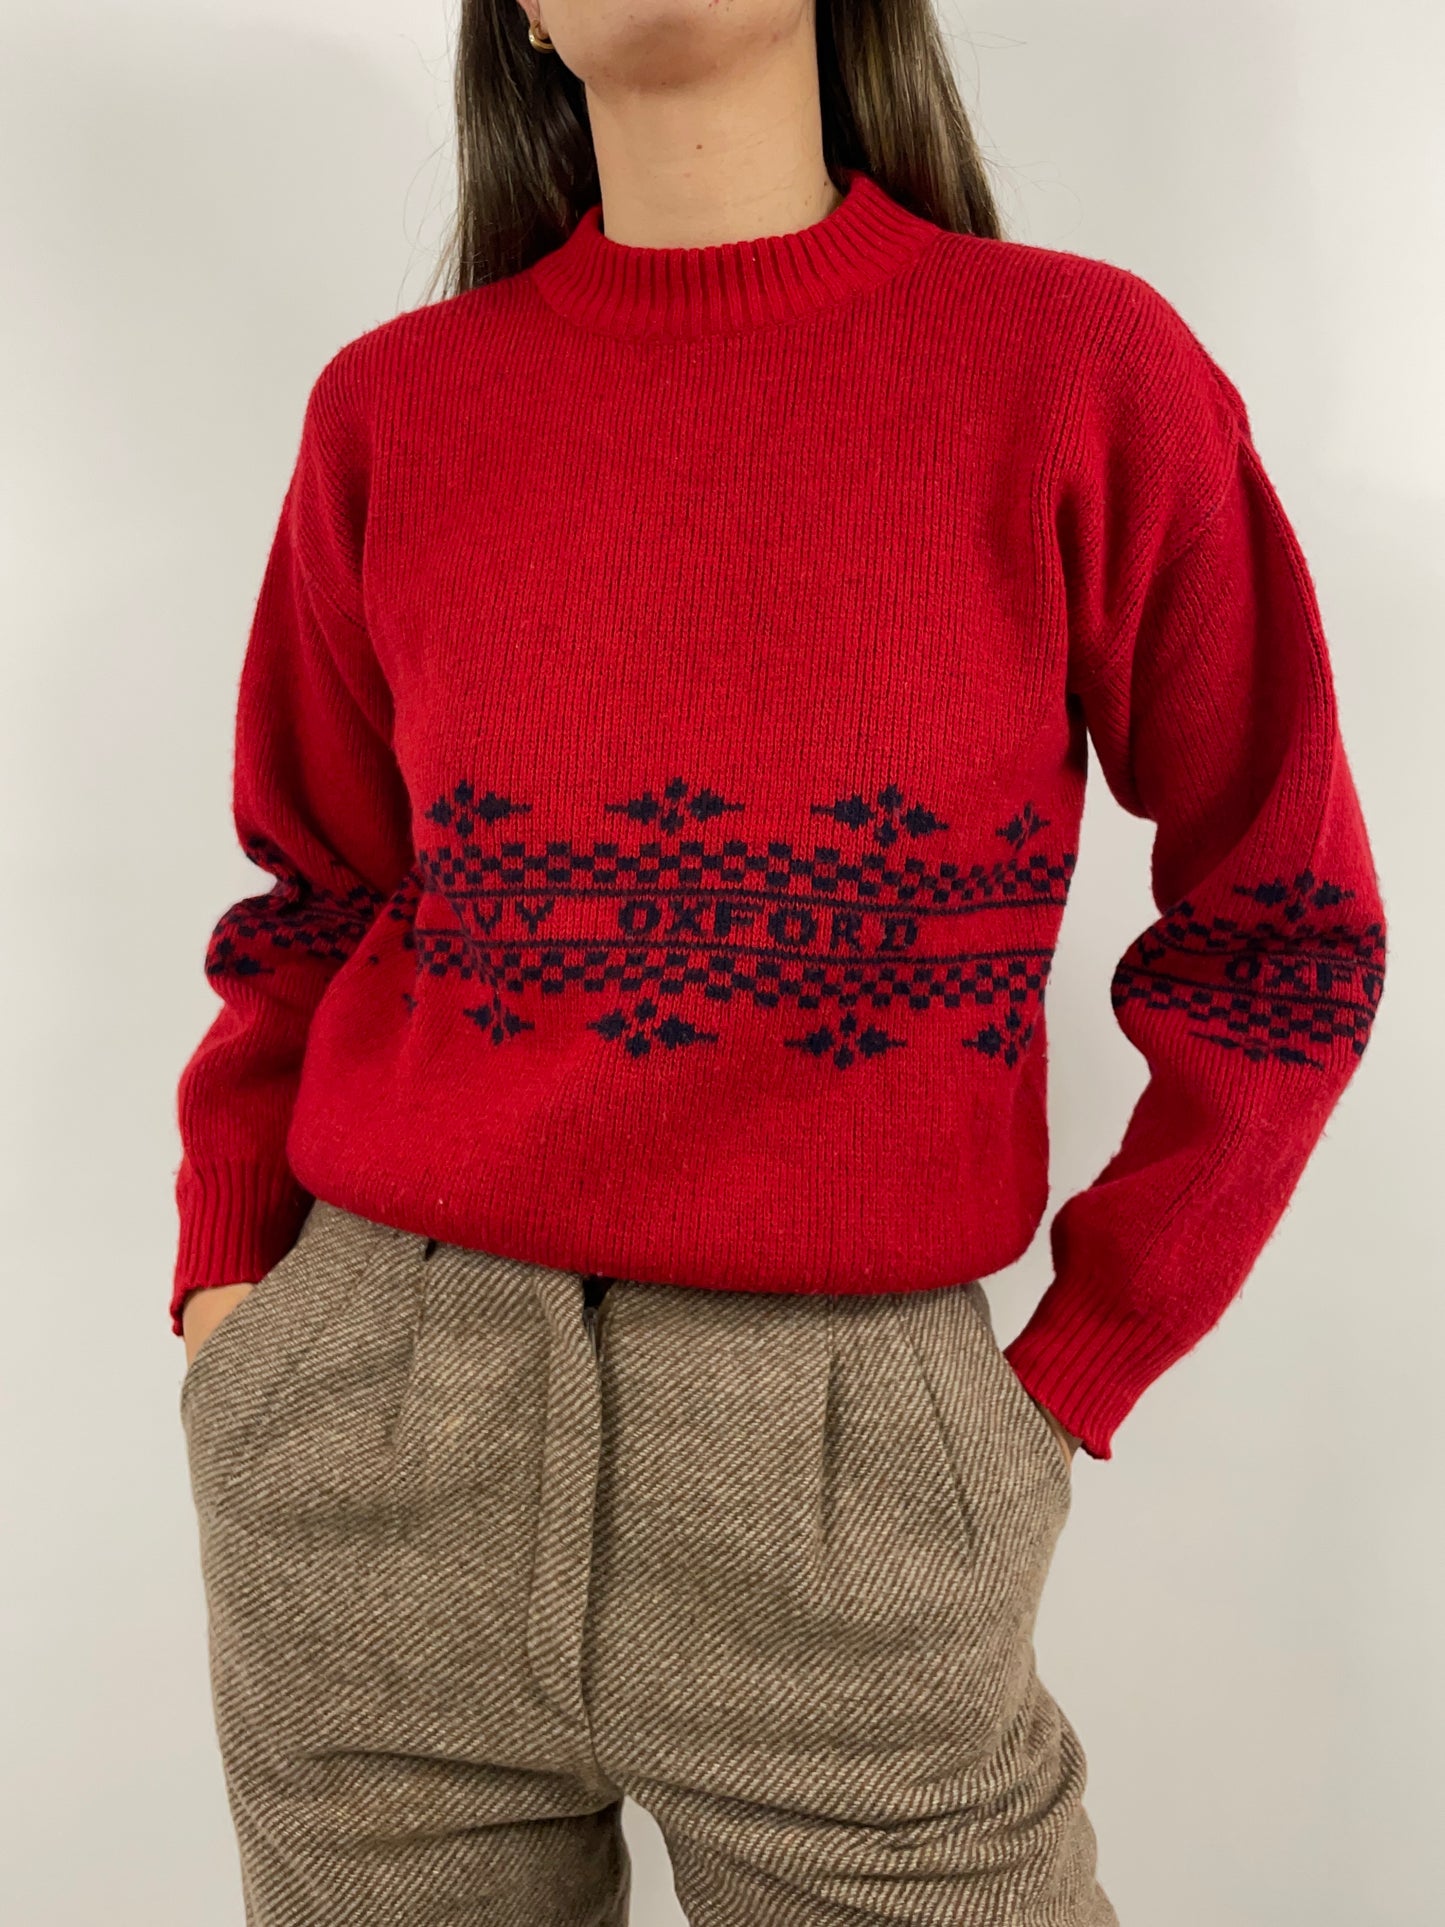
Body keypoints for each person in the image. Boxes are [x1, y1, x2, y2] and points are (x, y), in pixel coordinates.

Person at [171, 3, 1387, 1921]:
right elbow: (315, 893)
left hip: (850, 1470)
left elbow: (1280, 931)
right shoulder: (395, 407)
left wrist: (1077, 1360)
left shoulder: (1078, 371)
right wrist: (231, 1291)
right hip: (373, 1430)